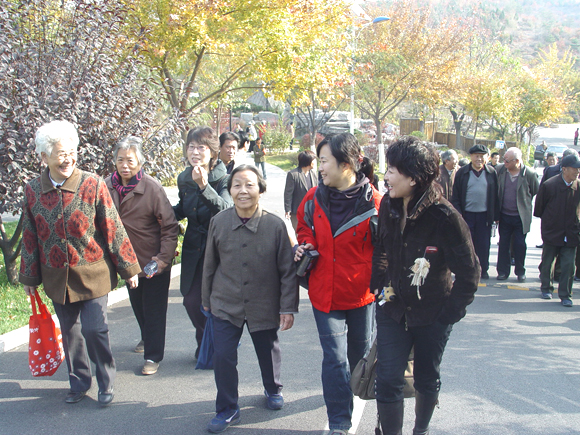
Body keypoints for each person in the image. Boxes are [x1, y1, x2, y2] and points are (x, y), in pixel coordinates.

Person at [20, 120, 141, 406]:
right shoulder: (33, 190)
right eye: (61, 154)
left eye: (72, 152)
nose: (68, 159)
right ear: (44, 156)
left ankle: (106, 379)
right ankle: (79, 382)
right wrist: (29, 278)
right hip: (56, 276)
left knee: (94, 329)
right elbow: (29, 234)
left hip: (93, 273)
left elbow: (112, 227)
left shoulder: (92, 183)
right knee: (71, 333)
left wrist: (128, 268)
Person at [371, 136, 479, 435]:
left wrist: (448, 315)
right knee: (387, 378)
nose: (386, 177)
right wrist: (379, 286)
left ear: (414, 178)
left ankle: (421, 430)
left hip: (433, 314)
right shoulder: (389, 206)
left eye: (392, 170)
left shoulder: (445, 217)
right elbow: (381, 248)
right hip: (393, 308)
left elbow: (470, 273)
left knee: (426, 378)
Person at [295, 133, 382, 434]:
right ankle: (339, 422)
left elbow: (386, 248)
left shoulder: (375, 203)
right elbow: (303, 225)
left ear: (346, 164)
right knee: (333, 358)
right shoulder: (313, 197)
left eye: (324, 161)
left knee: (359, 356)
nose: (320, 168)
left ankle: (354, 391)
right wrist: (306, 242)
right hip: (324, 292)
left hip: (361, 294)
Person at [202, 165, 299, 433]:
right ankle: (227, 408)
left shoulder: (275, 225)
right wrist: (206, 300)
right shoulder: (218, 222)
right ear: (230, 190)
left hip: (263, 302)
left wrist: (287, 307)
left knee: (268, 350)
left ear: (261, 190)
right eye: (237, 185)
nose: (243, 191)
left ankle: (273, 388)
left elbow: (287, 271)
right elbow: (209, 264)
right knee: (223, 356)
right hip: (225, 302)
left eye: (249, 185)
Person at [105, 136, 179, 375]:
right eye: (120, 160)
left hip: (153, 260)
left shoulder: (151, 187)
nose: (125, 165)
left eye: (130, 160)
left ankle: (152, 357)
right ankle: (147, 337)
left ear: (140, 162)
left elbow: (169, 227)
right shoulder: (106, 186)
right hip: (127, 262)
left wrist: (163, 259)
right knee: (138, 305)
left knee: (154, 309)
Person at [173, 127, 233, 359]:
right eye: (191, 147)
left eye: (201, 147)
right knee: (191, 301)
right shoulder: (184, 178)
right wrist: (159, 212)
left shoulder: (224, 179)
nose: (195, 152)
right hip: (193, 249)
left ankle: (212, 347)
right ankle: (208, 340)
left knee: (215, 303)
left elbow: (226, 210)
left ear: (212, 152)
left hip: (217, 250)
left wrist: (203, 186)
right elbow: (183, 208)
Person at [535, 154, 580, 307]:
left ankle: (565, 295)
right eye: (574, 169)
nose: (577, 172)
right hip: (552, 231)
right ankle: (546, 288)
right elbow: (539, 208)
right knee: (548, 262)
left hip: (571, 232)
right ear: (564, 169)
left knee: (569, 265)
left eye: (578, 169)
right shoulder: (549, 185)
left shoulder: (578, 186)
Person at [451, 144, 499, 280]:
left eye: (482, 156)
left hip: (484, 216)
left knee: (483, 244)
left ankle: (483, 269)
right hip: (467, 215)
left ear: (487, 157)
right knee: (466, 244)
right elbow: (456, 196)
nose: (479, 159)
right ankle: (467, 269)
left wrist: (496, 216)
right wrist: (458, 214)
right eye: (476, 156)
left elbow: (496, 196)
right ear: (471, 157)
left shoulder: (491, 173)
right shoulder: (462, 173)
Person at [495, 147, 539, 282]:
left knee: (520, 244)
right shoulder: (500, 170)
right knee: (504, 244)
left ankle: (520, 271)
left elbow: (534, 190)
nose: (504, 162)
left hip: (520, 217)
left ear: (517, 161)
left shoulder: (529, 173)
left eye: (507, 161)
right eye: (504, 159)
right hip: (504, 215)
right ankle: (503, 272)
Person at [284, 150, 317, 230]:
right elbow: (288, 193)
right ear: (308, 161)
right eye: (313, 160)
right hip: (297, 211)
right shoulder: (293, 174)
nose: (315, 162)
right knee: (300, 233)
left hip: (311, 210)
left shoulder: (313, 173)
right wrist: (288, 209)